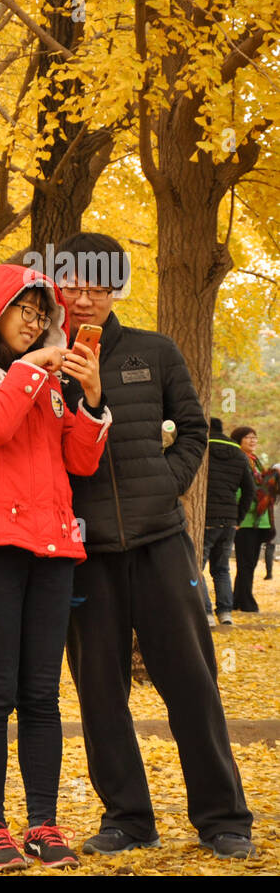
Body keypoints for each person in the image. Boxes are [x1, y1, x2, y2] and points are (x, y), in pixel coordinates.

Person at [56, 231, 254, 860]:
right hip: (86, 553)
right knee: (99, 689)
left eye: (97, 285)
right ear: (59, 286)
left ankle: (224, 817)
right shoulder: (44, 361)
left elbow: (193, 427)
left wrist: (167, 485)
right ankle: (127, 817)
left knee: (191, 679)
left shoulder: (155, 352)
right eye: (73, 284)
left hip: (161, 542)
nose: (84, 298)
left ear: (115, 289)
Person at [0, 265, 110, 869]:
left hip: (54, 548)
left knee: (41, 694)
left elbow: (79, 463)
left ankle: (43, 824)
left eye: (43, 315)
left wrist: (90, 399)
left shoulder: (48, 384)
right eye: (25, 311)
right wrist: (34, 372)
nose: (36, 324)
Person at [201, 419, 254, 625]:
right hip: (229, 519)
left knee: (197, 567)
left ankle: (206, 614)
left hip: (207, 518)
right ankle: (225, 613)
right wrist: (238, 518)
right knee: (222, 568)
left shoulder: (201, 447)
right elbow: (249, 491)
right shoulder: (239, 454)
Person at [231, 427, 271, 614]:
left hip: (259, 520)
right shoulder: (238, 459)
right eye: (248, 438)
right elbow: (239, 489)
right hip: (245, 520)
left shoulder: (256, 462)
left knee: (250, 563)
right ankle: (246, 602)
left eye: (255, 437)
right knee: (245, 563)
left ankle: (237, 600)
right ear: (239, 440)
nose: (253, 441)